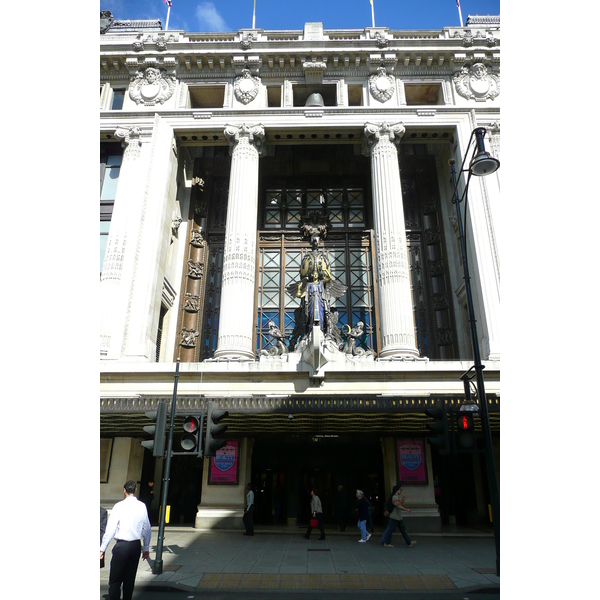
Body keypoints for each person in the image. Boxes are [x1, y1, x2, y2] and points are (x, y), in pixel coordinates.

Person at [100, 480, 151, 600]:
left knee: (115, 580)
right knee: (129, 579)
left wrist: (102, 548)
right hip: (135, 546)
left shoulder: (119, 506)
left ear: (124, 491)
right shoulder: (142, 506)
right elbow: (147, 529)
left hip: (121, 545)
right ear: (135, 490)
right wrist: (146, 547)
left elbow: (110, 529)